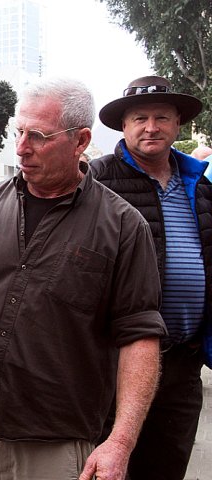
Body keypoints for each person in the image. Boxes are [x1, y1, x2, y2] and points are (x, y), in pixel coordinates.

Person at [0, 78, 167, 480]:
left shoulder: (122, 226)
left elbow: (140, 338)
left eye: (39, 136)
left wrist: (120, 442)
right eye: (19, 132)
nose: (21, 148)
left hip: (57, 442)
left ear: (80, 141)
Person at [91, 75, 210, 480]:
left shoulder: (203, 186)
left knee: (166, 467)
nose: (151, 127)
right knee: (108, 467)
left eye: (162, 117)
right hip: (114, 363)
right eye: (140, 118)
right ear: (123, 127)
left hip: (183, 362)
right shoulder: (94, 181)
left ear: (179, 125)